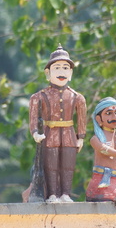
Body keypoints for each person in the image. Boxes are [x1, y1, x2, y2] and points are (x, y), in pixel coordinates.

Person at [28, 44, 87, 203]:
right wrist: (35, 132)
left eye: (65, 68)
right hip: (50, 133)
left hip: (69, 134)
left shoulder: (77, 97)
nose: (61, 72)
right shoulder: (39, 96)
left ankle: (66, 194)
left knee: (68, 165)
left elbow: (81, 118)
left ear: (71, 73)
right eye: (57, 68)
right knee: (51, 166)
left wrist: (80, 136)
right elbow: (33, 116)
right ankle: (53, 194)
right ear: (48, 73)